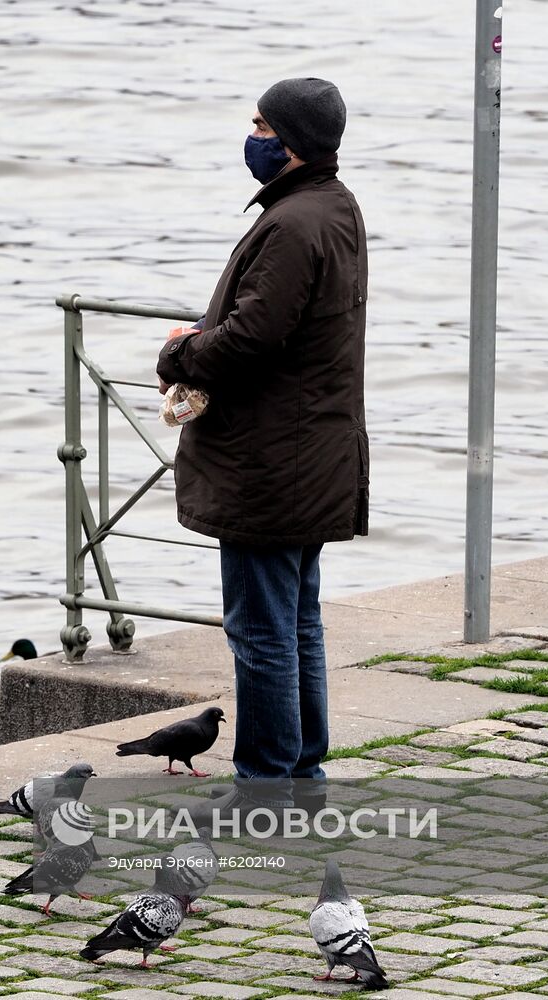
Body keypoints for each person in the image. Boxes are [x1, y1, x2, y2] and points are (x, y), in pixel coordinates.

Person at [156, 78, 369, 817]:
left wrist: (181, 352)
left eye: (258, 124)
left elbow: (251, 337)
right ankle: (300, 775)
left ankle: (265, 785)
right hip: (309, 455)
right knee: (295, 622)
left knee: (261, 630)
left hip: (270, 464)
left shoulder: (292, 223)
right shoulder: (332, 206)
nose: (248, 135)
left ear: (289, 141)